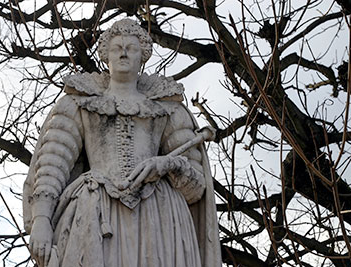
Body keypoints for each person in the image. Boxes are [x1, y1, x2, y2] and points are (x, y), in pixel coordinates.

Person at [23, 19, 221, 267]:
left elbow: (196, 189)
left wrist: (168, 165)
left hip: (159, 218)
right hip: (94, 214)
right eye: (117, 47)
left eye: (132, 48)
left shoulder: (168, 108)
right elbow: (52, 163)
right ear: (106, 55)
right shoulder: (77, 103)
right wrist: (41, 218)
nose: (124, 53)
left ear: (143, 56)